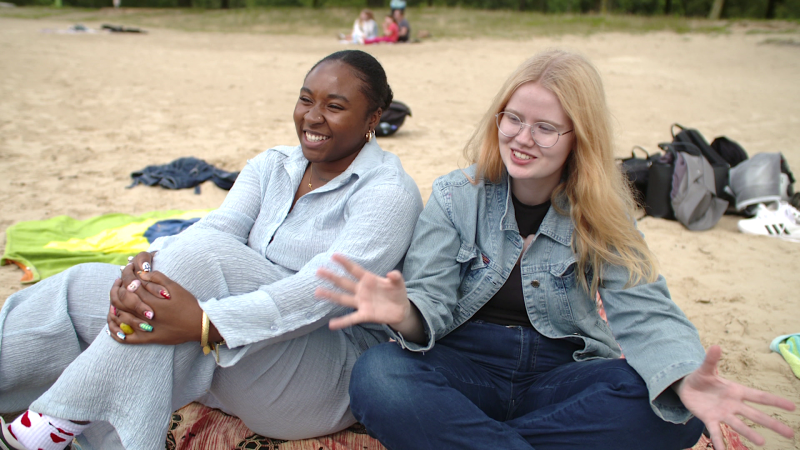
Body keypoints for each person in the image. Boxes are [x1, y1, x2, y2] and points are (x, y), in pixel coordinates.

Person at [315, 50, 796, 450]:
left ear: (578, 138)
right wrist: (406, 314)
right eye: (513, 119)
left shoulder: (603, 210)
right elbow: (430, 301)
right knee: (379, 375)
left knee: (673, 408)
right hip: (464, 368)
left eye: (545, 128)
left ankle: (473, 440)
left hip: (561, 375)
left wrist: (684, 377)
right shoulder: (454, 195)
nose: (522, 139)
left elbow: (645, 308)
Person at [0, 49, 423, 450]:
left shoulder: (388, 193)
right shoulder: (273, 165)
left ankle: (53, 422)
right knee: (83, 287)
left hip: (318, 375)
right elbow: (219, 227)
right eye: (305, 100)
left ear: (373, 118)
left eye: (334, 106)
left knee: (204, 259)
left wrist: (208, 323)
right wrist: (146, 265)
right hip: (230, 355)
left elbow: (323, 292)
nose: (312, 117)